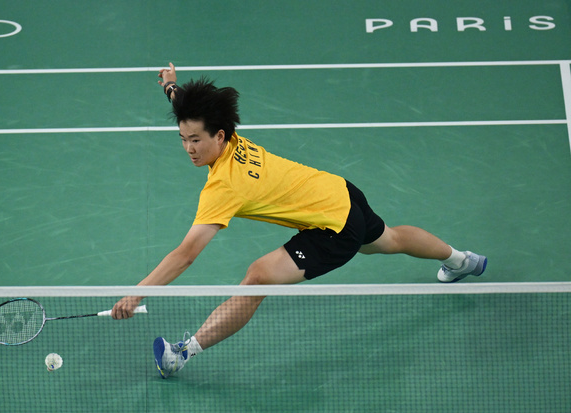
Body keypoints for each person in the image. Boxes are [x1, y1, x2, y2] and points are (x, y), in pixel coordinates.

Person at [112, 63, 487, 378]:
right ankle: (461, 260)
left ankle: (180, 355)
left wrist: (136, 294)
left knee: (256, 279)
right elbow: (195, 111)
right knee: (390, 239)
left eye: (195, 140)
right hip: (339, 192)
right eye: (182, 138)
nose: (189, 148)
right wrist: (172, 88)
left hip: (333, 231)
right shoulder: (225, 132)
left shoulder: (223, 187)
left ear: (219, 136)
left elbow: (185, 255)